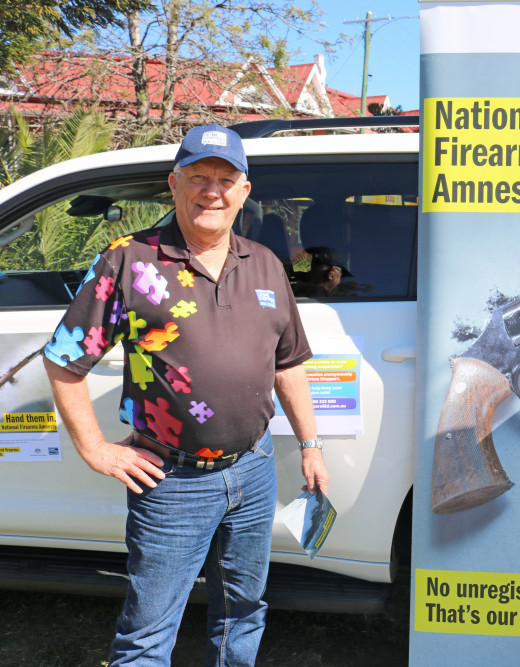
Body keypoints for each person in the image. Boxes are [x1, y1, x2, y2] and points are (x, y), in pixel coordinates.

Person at [43, 123, 329, 666]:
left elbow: (288, 364)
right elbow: (64, 360)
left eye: (226, 179)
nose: (211, 191)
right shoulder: (129, 261)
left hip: (253, 466)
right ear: (174, 183)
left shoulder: (265, 264)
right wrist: (97, 450)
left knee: (243, 608)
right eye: (198, 176)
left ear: (244, 192)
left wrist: (311, 445)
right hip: (171, 479)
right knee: (149, 631)